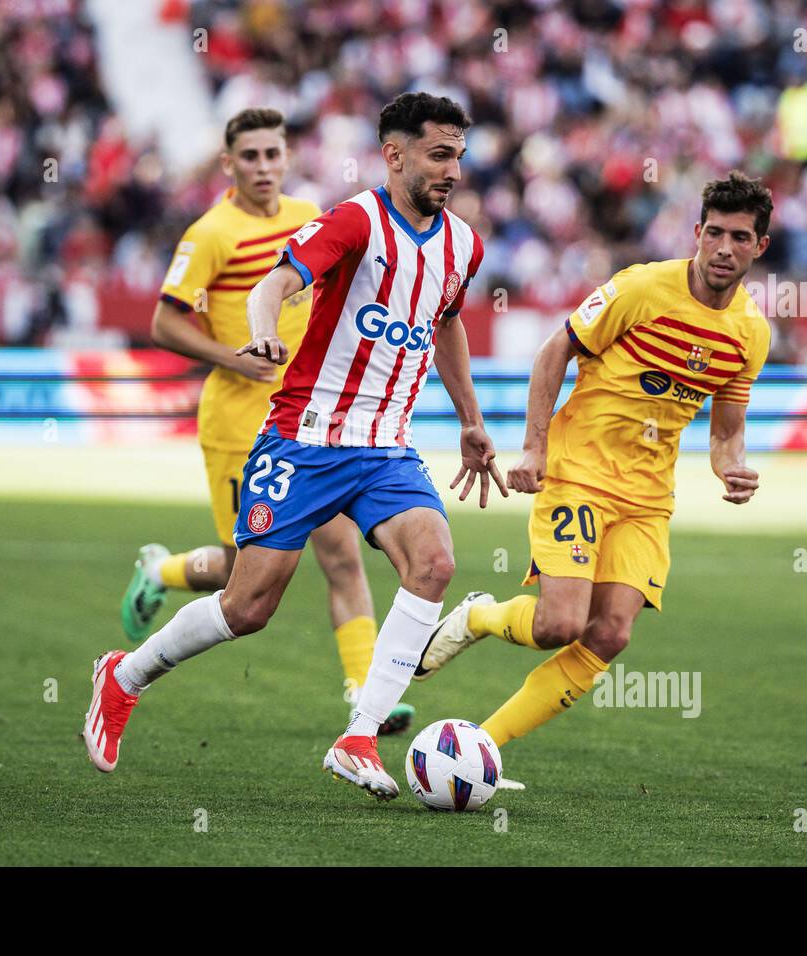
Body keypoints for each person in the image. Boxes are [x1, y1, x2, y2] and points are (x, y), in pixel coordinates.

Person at [83, 92, 507, 801]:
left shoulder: (464, 244)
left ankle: (359, 734)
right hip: (303, 439)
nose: (453, 171)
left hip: (384, 449)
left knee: (433, 562)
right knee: (248, 607)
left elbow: (448, 322)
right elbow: (275, 283)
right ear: (394, 155)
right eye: (439, 155)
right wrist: (261, 328)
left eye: (459, 156)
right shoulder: (353, 221)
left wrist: (470, 419)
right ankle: (122, 677)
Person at [416, 171, 772, 774]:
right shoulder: (641, 288)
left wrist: (731, 469)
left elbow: (724, 429)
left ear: (759, 247)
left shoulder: (749, 334)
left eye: (740, 238)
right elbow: (555, 349)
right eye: (714, 233)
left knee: (609, 635)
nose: (723, 249)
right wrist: (534, 449)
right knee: (559, 624)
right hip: (580, 470)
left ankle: (483, 749)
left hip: (647, 498)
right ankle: (478, 615)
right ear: (697, 232)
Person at [122, 108, 411, 735]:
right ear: (228, 164)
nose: (262, 167)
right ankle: (163, 570)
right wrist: (236, 356)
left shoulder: (312, 217)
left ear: (286, 158)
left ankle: (365, 693)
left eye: (272, 154)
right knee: (236, 574)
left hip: (313, 418)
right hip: (237, 423)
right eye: (249, 156)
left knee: (341, 557)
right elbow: (164, 323)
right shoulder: (209, 234)